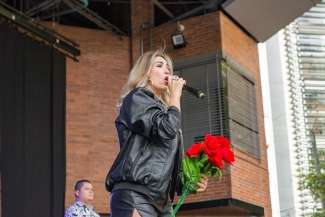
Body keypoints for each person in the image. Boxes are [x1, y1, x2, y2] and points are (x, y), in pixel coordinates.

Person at [105, 49, 208, 217]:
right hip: (136, 194)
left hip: (162, 203)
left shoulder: (167, 114)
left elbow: (169, 171)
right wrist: (175, 96)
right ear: (146, 74)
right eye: (159, 66)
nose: (167, 70)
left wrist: (191, 181)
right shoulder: (137, 98)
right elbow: (165, 129)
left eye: (168, 67)